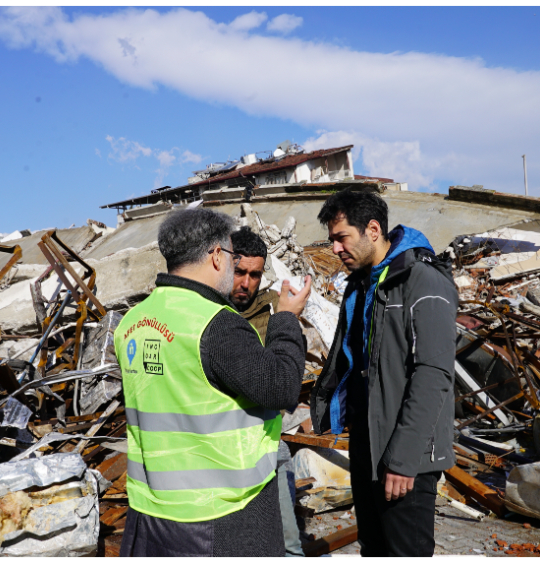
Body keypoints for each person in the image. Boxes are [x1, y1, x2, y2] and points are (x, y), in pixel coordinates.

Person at [115, 208, 312, 557]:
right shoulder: (216, 324)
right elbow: (281, 387)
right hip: (220, 515)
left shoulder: (133, 320)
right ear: (218, 256)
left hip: (151, 511)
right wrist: (285, 318)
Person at [309, 189, 458, 557]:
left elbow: (433, 374)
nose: (335, 249)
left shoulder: (422, 281)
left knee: (405, 551)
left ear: (373, 230)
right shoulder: (360, 284)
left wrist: (404, 461)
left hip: (405, 454)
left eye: (342, 237)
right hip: (367, 444)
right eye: (332, 240)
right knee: (374, 549)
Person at [229, 226, 303, 557]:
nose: (246, 283)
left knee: (288, 544)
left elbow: (285, 378)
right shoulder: (206, 312)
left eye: (255, 275)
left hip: (268, 446)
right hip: (222, 452)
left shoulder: (275, 310)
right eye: (239, 272)